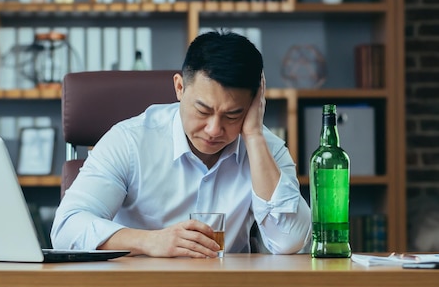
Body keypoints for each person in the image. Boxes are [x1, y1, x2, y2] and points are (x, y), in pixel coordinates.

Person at [51, 30, 311, 257]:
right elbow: (66, 228)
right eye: (202, 110)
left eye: (233, 115)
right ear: (179, 88)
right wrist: (149, 241)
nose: (214, 129)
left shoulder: (265, 148)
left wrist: (253, 135)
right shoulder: (130, 140)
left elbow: (291, 242)